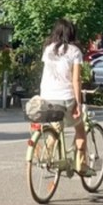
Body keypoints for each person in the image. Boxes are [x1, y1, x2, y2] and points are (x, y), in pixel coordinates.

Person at [39, 18, 93, 176]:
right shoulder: (74, 51)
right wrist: (78, 103)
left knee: (57, 125)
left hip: (47, 96)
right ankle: (81, 165)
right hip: (65, 97)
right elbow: (76, 79)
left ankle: (48, 156)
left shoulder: (48, 49)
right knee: (80, 127)